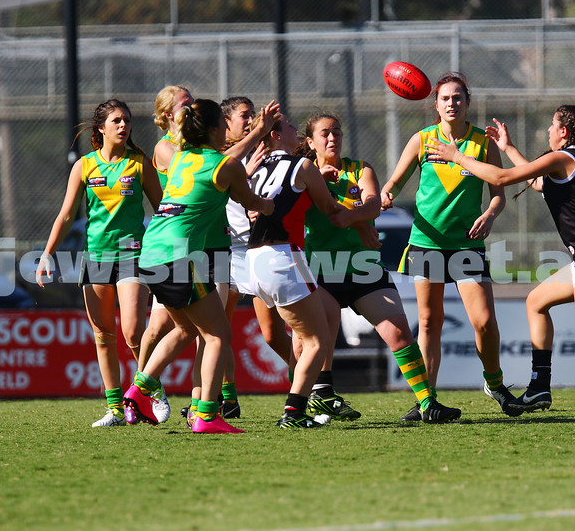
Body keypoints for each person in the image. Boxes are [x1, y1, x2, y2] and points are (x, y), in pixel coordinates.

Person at [426, 104, 575, 425]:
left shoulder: (562, 158)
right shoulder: (574, 160)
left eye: (552, 125)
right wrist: (509, 148)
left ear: (563, 132)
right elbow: (538, 182)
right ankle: (539, 387)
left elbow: (503, 178)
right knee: (536, 301)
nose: (548, 130)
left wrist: (459, 157)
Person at [122, 98, 274, 433]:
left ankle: (138, 390)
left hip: (151, 253)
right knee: (218, 335)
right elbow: (248, 200)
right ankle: (206, 415)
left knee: (187, 330)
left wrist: (255, 133)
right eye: (223, 122)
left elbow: (220, 165)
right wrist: (268, 205)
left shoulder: (180, 159)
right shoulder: (226, 166)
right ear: (216, 128)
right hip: (179, 256)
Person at [300, 113, 461, 423]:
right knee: (312, 339)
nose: (332, 137)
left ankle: (428, 404)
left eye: (337, 131)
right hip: (321, 269)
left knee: (399, 333)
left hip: (363, 269)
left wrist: (352, 218)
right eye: (324, 133)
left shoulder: (360, 169)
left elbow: (374, 203)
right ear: (310, 142)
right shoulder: (305, 175)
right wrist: (357, 218)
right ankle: (313, 399)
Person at [381, 72, 521, 419]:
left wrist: (490, 214)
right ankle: (427, 400)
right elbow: (395, 182)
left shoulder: (482, 143)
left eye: (457, 97)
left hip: (466, 246)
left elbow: (499, 195)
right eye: (445, 98)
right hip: (426, 243)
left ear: (467, 102)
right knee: (429, 322)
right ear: (436, 104)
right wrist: (384, 194)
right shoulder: (422, 139)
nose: (451, 103)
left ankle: (495, 383)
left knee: (484, 321)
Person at [36, 99, 162, 427]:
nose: (124, 126)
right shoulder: (84, 166)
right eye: (117, 120)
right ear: (101, 128)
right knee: (103, 334)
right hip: (97, 258)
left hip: (133, 256)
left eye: (127, 121)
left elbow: (163, 211)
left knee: (134, 332)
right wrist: (47, 254)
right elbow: (66, 215)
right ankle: (116, 409)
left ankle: (151, 389)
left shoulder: (139, 163)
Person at [234, 114, 346, 428]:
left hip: (253, 261)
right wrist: (361, 206)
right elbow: (327, 208)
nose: (295, 128)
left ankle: (301, 405)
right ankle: (294, 412)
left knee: (308, 332)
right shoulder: (302, 166)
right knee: (316, 342)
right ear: (276, 135)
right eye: (288, 126)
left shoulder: (254, 170)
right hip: (282, 257)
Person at [135, 84, 195, 424]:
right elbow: (189, 173)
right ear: (168, 114)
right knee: (158, 327)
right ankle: (143, 389)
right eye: (186, 103)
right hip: (171, 245)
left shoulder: (200, 145)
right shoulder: (165, 148)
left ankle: (142, 392)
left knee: (200, 328)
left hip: (197, 242)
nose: (193, 106)